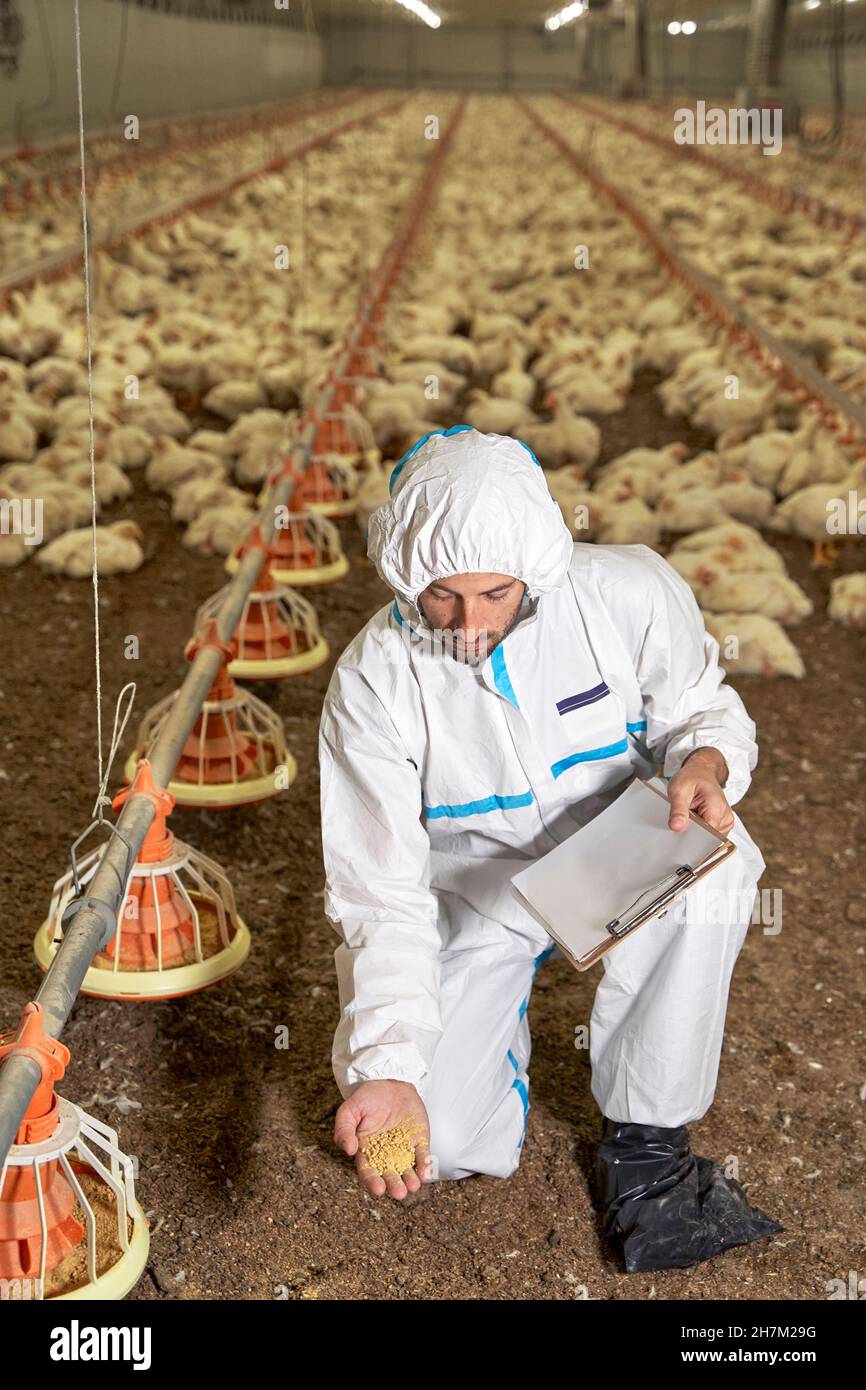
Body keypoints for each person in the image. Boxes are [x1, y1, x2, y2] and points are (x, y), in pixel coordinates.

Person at [318, 426, 783, 1272]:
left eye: (496, 593)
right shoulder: (372, 680)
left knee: (716, 866)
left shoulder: (627, 592)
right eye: (442, 598)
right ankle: (503, 1018)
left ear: (537, 566)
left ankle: (646, 1137)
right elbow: (378, 889)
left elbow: (699, 708)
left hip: (620, 851)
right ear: (401, 579)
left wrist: (707, 762)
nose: (470, 624)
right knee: (446, 1141)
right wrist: (387, 1065)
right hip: (478, 889)